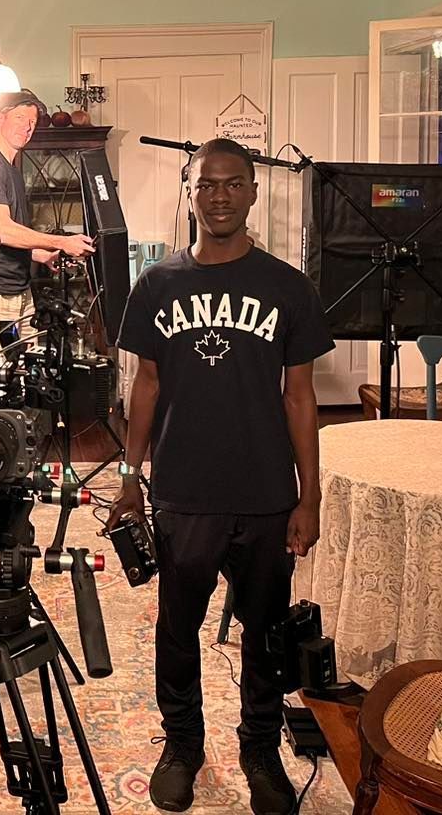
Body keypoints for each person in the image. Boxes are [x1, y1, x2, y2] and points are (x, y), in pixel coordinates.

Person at [104, 137, 334, 815]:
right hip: (183, 491)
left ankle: (260, 749)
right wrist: (129, 476)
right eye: (208, 184)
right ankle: (183, 745)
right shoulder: (158, 286)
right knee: (178, 631)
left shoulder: (288, 288)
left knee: (265, 633)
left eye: (235, 183)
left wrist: (309, 494)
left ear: (254, 192)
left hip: (265, 492)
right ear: (190, 191)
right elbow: (143, 384)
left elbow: (301, 396)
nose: (221, 194)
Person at [0, 89, 94, 360]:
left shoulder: (11, 170)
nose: (27, 126)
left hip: (19, 293)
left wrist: (40, 254)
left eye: (32, 121)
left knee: (21, 377)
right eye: (20, 117)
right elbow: (3, 230)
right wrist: (61, 241)